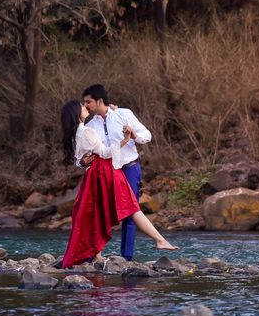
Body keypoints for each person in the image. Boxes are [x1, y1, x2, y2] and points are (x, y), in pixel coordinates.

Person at [60, 100, 176, 268]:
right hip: (106, 171)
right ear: (77, 114)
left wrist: (84, 161)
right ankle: (159, 239)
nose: (85, 108)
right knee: (131, 206)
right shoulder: (87, 131)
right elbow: (106, 154)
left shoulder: (75, 134)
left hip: (94, 174)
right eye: (82, 107)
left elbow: (80, 159)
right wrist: (124, 140)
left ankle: (96, 253)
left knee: (95, 212)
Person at [81, 84, 150, 261]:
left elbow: (147, 135)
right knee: (100, 212)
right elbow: (87, 153)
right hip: (106, 173)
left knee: (130, 212)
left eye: (88, 102)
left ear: (100, 101)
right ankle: (93, 255)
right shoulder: (90, 125)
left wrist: (133, 135)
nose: (86, 105)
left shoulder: (123, 114)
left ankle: (126, 258)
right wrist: (83, 162)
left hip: (129, 168)